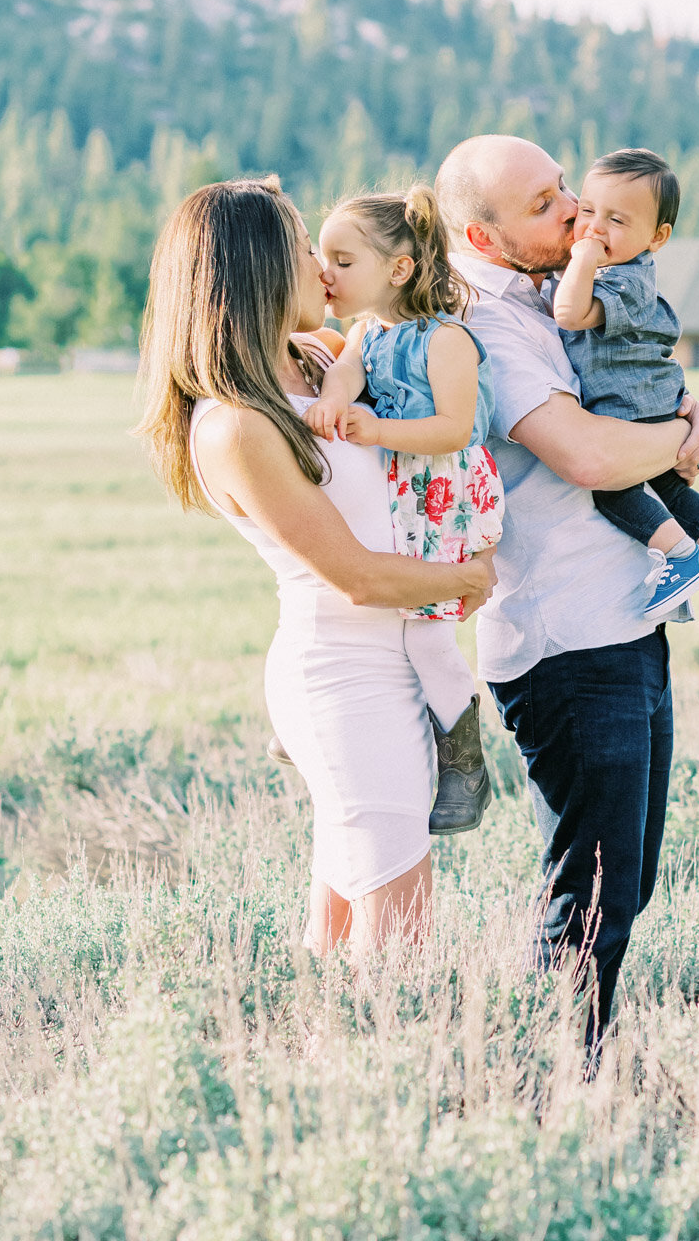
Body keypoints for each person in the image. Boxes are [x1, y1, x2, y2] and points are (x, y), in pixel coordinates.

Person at [134, 177, 495, 954]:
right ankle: (378, 1067)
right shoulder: (235, 426)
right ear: (259, 267)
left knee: (337, 932)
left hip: (392, 664)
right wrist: (471, 579)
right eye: (305, 247)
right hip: (342, 680)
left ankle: (312, 1068)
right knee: (397, 935)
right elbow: (359, 576)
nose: (322, 267)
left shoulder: (320, 357)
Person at [434, 134, 699, 1045]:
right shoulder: (488, 324)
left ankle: (568, 1070)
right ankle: (553, 1084)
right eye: (542, 204)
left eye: (564, 186)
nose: (573, 209)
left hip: (622, 624)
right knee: (593, 897)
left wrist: (679, 408)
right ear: (481, 240)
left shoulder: (552, 293)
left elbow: (620, 396)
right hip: (566, 643)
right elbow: (588, 454)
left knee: (623, 883)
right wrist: (681, 445)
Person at [307, 185, 504, 834]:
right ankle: (326, 721)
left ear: (399, 268)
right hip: (403, 500)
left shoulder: (445, 340)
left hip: (443, 499)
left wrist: (376, 431)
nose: (324, 272)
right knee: (369, 615)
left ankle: (465, 765)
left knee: (425, 635)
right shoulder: (365, 333)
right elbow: (343, 375)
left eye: (343, 259)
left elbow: (452, 430)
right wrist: (335, 402)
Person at [547, 146, 699, 617]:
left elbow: (569, 312)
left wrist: (580, 256)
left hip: (627, 407)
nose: (596, 228)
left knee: (613, 490)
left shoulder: (622, 280)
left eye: (616, 221)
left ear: (657, 237)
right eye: (588, 211)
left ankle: (681, 557)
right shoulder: (615, 269)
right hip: (654, 399)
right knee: (671, 488)